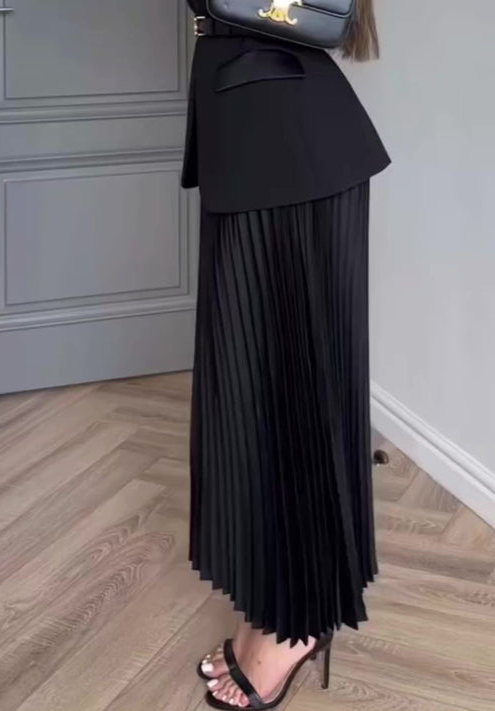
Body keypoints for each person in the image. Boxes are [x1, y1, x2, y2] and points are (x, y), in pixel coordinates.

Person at [182, 1, 391, 708]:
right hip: (259, 144)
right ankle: (277, 603)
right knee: (257, 388)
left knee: (287, 388)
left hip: (288, 153)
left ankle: (294, 624)